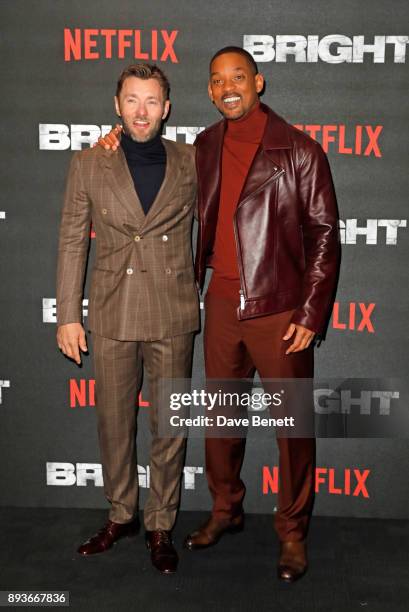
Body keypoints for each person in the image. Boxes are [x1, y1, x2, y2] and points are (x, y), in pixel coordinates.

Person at [99, 46, 340, 582]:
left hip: (280, 308)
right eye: (216, 80)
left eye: (238, 77)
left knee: (293, 428)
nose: (227, 87)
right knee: (221, 422)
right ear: (208, 91)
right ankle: (226, 510)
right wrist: (112, 140)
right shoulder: (201, 148)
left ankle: (293, 532)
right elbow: (144, 152)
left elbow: (324, 235)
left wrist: (311, 310)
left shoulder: (299, 151)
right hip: (221, 303)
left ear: (258, 81)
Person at [56, 63, 199, 575]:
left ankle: (161, 523)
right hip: (113, 309)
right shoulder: (89, 163)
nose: (142, 111)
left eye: (152, 101)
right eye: (132, 100)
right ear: (118, 105)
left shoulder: (192, 161)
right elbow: (73, 241)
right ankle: (122, 514)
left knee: (170, 426)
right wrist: (68, 314)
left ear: (167, 107)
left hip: (172, 309)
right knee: (115, 424)